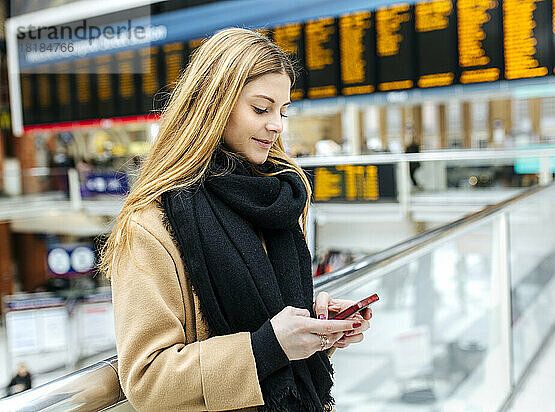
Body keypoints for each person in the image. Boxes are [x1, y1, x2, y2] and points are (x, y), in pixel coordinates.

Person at [100, 28, 372, 412]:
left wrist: (315, 323)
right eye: (261, 109)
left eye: (283, 110)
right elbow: (147, 379)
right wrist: (267, 348)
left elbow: (268, 316)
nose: (277, 125)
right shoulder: (152, 224)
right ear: (215, 104)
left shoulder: (276, 199)